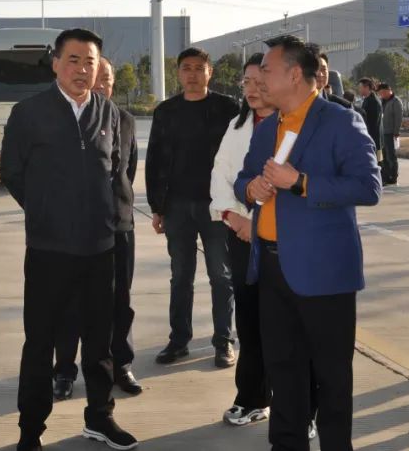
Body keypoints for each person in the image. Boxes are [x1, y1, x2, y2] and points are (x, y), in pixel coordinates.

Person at [236, 35, 381, 451]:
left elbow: (368, 187)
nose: (259, 78)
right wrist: (252, 189)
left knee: (331, 375)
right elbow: (244, 178)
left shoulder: (340, 121)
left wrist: (300, 182)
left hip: (324, 272)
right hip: (271, 268)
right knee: (283, 370)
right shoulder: (269, 126)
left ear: (294, 74)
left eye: (266, 70)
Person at [1, 29, 138, 451]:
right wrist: (46, 212)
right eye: (74, 60)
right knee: (40, 343)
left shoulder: (109, 113)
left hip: (100, 250)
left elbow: (117, 172)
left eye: (89, 62)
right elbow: (12, 172)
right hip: (49, 251)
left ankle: (100, 418)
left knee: (99, 343)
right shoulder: (29, 113)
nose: (82, 69)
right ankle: (30, 430)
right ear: (56, 63)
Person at [53, 57, 142, 401]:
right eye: (96, 78)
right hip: (74, 230)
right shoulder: (69, 121)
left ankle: (121, 364)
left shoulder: (126, 120)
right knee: (70, 302)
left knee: (121, 300)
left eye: (107, 78)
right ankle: (64, 370)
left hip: (118, 224)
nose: (101, 85)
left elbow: (127, 171)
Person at [146, 47, 239, 368]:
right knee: (181, 276)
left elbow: (239, 156)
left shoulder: (228, 109)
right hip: (177, 207)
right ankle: (179, 341)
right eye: (186, 68)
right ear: (178, 73)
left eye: (199, 68)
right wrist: (157, 207)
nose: (193, 74)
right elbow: (155, 160)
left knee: (221, 276)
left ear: (210, 72)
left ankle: (223, 341)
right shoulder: (166, 111)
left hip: (218, 206)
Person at [210, 54, 274, 427]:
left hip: (282, 238)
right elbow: (220, 175)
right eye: (246, 82)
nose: (251, 89)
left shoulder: (293, 125)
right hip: (241, 235)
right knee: (248, 319)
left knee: (284, 324)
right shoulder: (236, 127)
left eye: (259, 82)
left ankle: (299, 405)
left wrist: (259, 224)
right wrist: (234, 219)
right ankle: (251, 396)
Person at [377, 83, 403, 186]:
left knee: (391, 156)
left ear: (388, 90)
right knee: (384, 156)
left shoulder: (396, 102)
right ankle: (386, 177)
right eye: (380, 93)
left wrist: (396, 132)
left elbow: (398, 118)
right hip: (382, 133)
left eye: (383, 93)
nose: (381, 95)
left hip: (391, 133)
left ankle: (393, 177)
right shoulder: (382, 101)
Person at [357, 77, 383, 157]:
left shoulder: (373, 101)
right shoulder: (367, 99)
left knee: (376, 161)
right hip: (370, 139)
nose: (359, 90)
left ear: (367, 87)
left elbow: (372, 124)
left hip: (373, 140)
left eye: (360, 87)